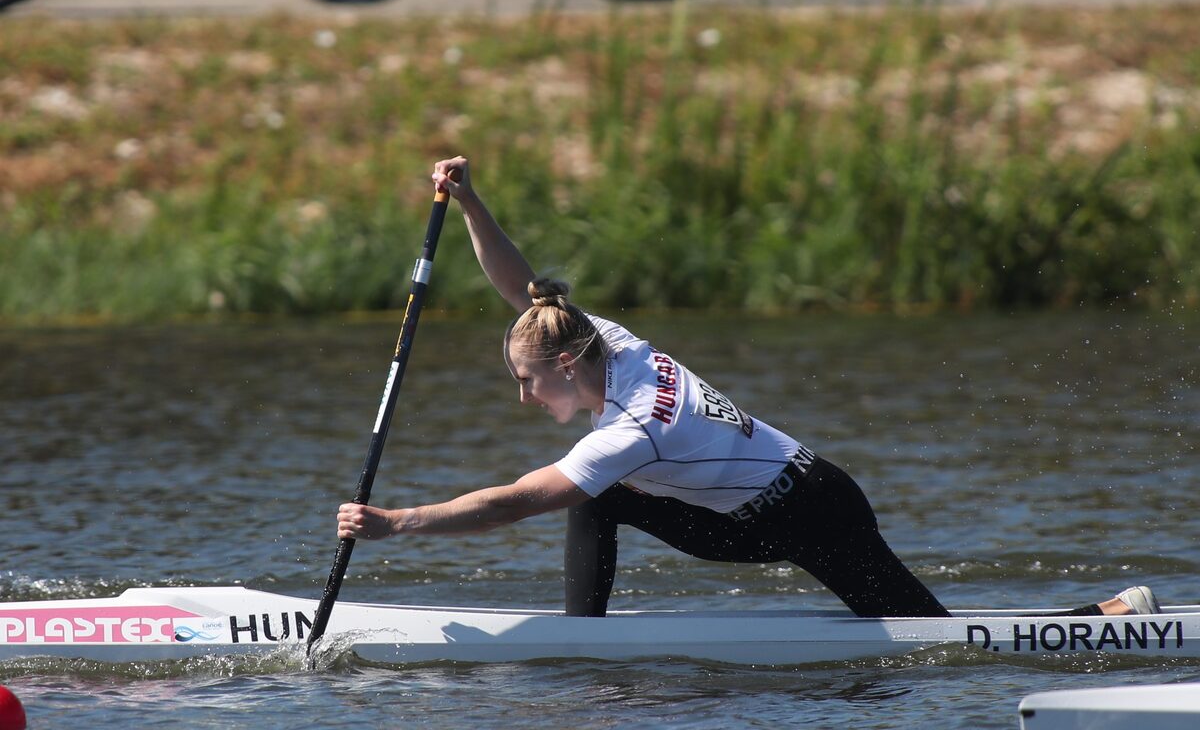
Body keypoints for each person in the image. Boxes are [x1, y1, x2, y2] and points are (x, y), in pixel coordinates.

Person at [336, 155, 1162, 620]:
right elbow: (529, 291)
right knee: (598, 494)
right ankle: (585, 638)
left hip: (812, 508)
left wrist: (398, 523)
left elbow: (517, 500)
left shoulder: (630, 427)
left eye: (526, 384)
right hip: (752, 505)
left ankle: (1106, 621)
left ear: (562, 368)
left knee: (929, 639)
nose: (522, 400)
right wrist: (473, 201)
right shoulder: (605, 342)